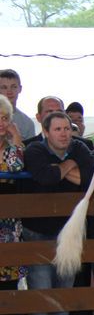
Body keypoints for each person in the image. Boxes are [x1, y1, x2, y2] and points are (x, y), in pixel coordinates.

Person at [22, 111, 94, 315]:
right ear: (45, 132)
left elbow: (88, 178)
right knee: (42, 289)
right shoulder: (35, 149)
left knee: (65, 290)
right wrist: (71, 165)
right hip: (38, 230)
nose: (64, 134)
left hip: (69, 231)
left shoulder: (79, 148)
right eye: (58, 129)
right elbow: (46, 177)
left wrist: (60, 169)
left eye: (67, 129)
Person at [0, 94, 26, 292]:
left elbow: (16, 167)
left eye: (5, 118)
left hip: (8, 226)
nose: (2, 123)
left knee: (9, 289)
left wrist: (17, 138)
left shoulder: (11, 149)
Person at [0, 69, 35, 140]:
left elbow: (29, 150)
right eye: (4, 87)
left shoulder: (27, 123)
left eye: (13, 87)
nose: (9, 91)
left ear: (20, 89)